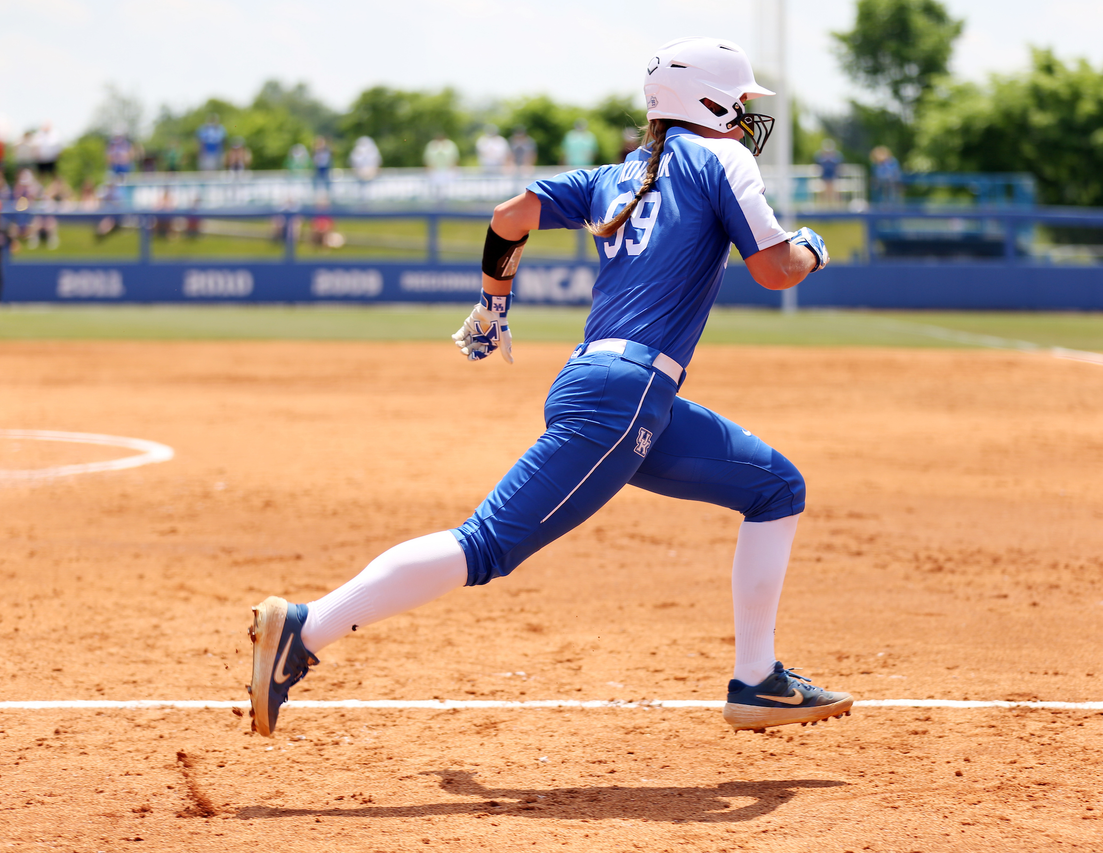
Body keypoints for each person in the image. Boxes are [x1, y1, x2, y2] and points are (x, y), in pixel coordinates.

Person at [247, 36, 849, 740]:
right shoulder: (722, 157)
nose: (746, 116)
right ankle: (307, 628)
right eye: (740, 102)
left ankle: (757, 680)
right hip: (625, 399)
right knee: (486, 543)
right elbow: (776, 269)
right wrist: (814, 244)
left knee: (775, 486)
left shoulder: (616, 174)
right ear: (710, 102)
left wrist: (492, 303)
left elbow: (508, 218)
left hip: (613, 390)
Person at [814, 138, 843, 207]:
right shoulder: (820, 156)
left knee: (834, 191)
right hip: (823, 177)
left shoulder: (837, 156)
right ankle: (822, 206)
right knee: (823, 191)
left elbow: (839, 166)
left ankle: (835, 206)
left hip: (833, 177)